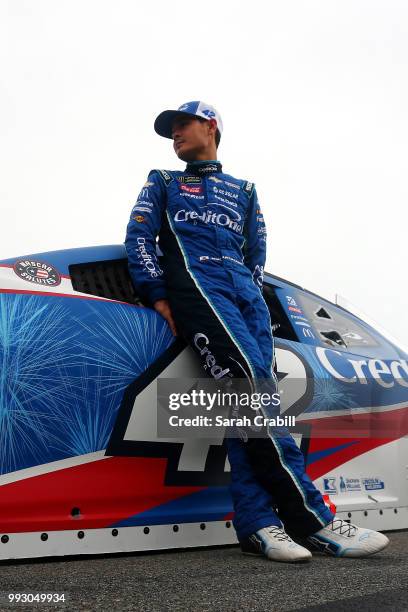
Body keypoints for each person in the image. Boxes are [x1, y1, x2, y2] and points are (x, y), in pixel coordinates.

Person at [125, 101, 389, 562]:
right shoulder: (163, 181)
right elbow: (139, 236)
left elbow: (257, 254)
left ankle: (259, 525)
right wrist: (157, 293)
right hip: (198, 289)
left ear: (210, 126)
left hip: (246, 299)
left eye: (181, 125)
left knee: (253, 408)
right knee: (249, 394)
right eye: (171, 131)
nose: (174, 136)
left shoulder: (244, 190)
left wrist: (251, 295)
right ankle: (315, 520)